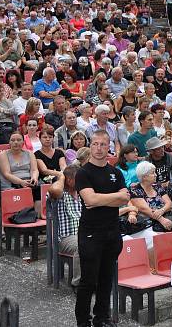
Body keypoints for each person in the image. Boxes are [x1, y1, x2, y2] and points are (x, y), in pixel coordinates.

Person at [74, 130, 130, 327]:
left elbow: (125, 198)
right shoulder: (83, 172)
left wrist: (100, 200)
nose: (98, 148)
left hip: (112, 231)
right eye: (95, 144)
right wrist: (115, 198)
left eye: (103, 145)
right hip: (91, 233)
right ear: (90, 146)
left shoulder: (115, 173)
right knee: (89, 281)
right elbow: (89, 200)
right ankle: (83, 321)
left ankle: (102, 318)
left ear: (109, 147)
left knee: (106, 279)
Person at [49, 165, 83, 286]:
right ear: (69, 180)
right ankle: (78, 284)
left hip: (83, 232)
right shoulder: (60, 194)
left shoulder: (82, 193)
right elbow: (54, 191)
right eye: (78, 178)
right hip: (65, 238)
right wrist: (61, 176)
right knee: (83, 245)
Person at [0, 131, 41, 212]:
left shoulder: (30, 153)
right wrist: (21, 182)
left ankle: (37, 216)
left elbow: (34, 169)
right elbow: (6, 174)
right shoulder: (3, 154)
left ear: (23, 142)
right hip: (11, 183)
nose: (16, 142)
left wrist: (34, 178)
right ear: (9, 142)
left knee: (38, 189)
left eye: (19, 140)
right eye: (13, 140)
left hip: (28, 181)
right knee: (24, 189)